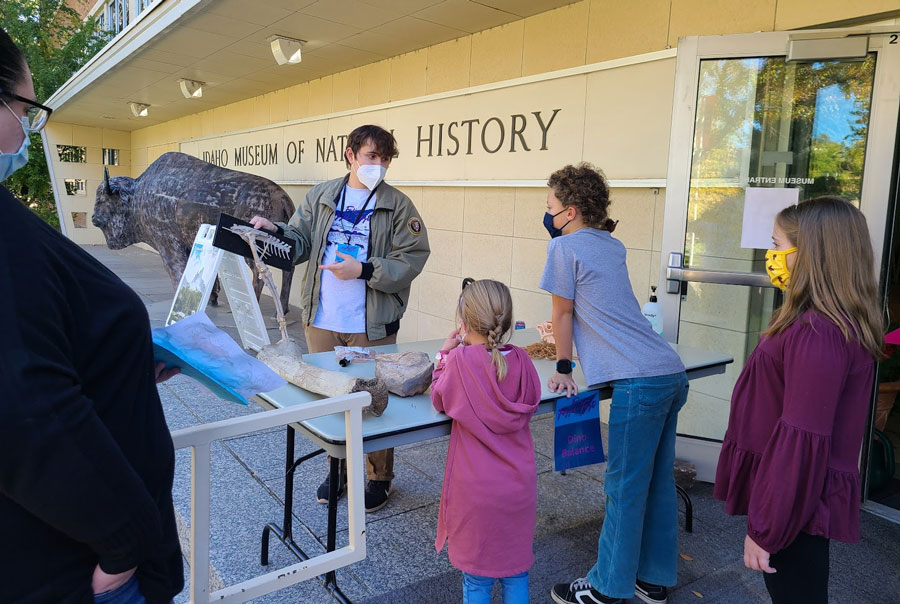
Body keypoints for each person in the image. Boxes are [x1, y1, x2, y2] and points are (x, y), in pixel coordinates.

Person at [0, 28, 183, 604]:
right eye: (27, 108)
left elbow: (36, 346)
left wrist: (120, 359)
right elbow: (24, 412)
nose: (30, 128)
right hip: (76, 567)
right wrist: (125, 543)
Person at [250, 125, 429, 513]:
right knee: (328, 394)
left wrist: (364, 270)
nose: (378, 165)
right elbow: (298, 240)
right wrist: (273, 231)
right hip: (322, 319)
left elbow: (412, 258)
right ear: (350, 155)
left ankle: (379, 476)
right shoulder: (322, 195)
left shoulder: (398, 205)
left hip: (370, 325)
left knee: (373, 400)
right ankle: (338, 468)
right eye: (370, 156)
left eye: (385, 159)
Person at [713, 197, 881, 603]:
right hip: (795, 496)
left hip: (795, 503)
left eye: (777, 245)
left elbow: (801, 439)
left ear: (811, 256)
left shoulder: (818, 332)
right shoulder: (821, 322)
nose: (771, 257)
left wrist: (766, 529)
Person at [542, 164, 688, 604]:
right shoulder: (612, 243)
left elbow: (563, 313)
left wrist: (564, 366)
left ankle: (607, 586)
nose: (546, 214)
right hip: (669, 372)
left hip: (637, 385)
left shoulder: (564, 248)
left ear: (569, 212)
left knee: (623, 488)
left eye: (549, 207)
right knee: (658, 481)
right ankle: (654, 578)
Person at [430, 279, 541, 604]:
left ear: (463, 324)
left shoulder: (461, 363)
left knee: (477, 581)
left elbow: (439, 398)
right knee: (516, 571)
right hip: (519, 486)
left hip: (476, 492)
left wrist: (444, 355)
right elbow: (532, 394)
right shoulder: (521, 359)